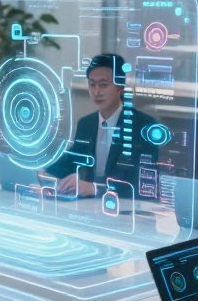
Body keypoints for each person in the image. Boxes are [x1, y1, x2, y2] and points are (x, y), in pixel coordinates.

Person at [45, 53, 159, 198]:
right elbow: (71, 160)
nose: (96, 92)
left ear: (120, 87)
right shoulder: (86, 124)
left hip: (125, 213)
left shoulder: (143, 127)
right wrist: (44, 169)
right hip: (87, 207)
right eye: (92, 84)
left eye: (103, 85)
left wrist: (95, 188)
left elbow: (142, 185)